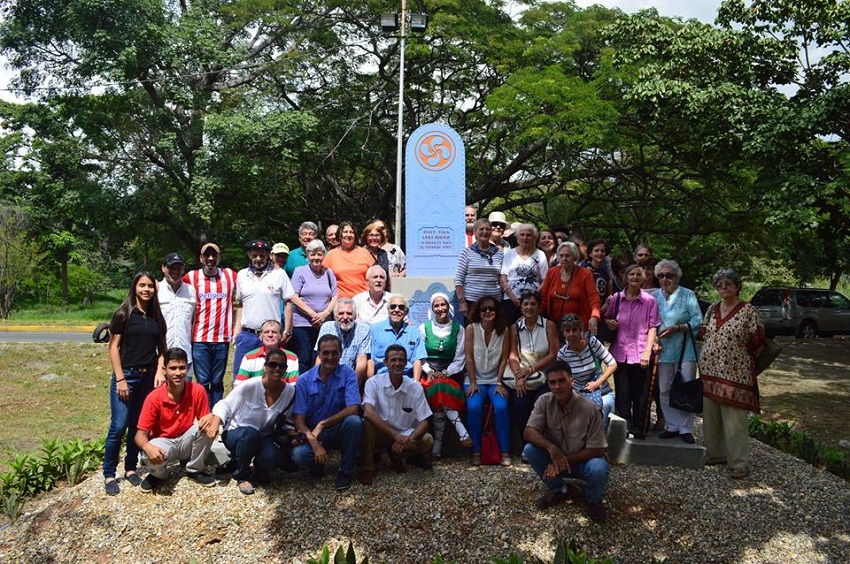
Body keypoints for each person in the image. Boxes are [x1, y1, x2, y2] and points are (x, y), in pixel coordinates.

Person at [198, 347, 298, 495]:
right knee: (250, 434)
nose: (277, 368)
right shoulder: (250, 385)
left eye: (282, 365)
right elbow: (225, 404)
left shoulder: (289, 392)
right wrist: (215, 423)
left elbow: (286, 419)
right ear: (265, 366)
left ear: (286, 369)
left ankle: (259, 467)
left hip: (263, 436)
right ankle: (241, 475)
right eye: (272, 364)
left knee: (272, 458)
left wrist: (293, 434)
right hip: (236, 433)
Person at [103, 272, 167, 496]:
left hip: (147, 378)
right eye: (142, 285)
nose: (146, 289)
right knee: (118, 425)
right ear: (135, 287)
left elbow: (162, 350)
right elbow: (113, 347)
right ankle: (109, 473)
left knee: (137, 426)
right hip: (127, 377)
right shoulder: (123, 314)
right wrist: (120, 378)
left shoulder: (156, 316)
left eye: (150, 286)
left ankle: (130, 468)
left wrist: (160, 370)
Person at [523, 361, 609, 523]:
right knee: (530, 450)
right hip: (556, 459)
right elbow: (529, 431)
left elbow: (598, 450)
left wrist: (563, 460)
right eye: (552, 382)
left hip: (583, 463)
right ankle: (561, 490)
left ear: (572, 381)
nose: (557, 386)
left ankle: (593, 500)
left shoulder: (590, 409)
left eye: (562, 381)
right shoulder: (544, 401)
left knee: (599, 467)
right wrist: (551, 448)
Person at [699, 268, 765, 479]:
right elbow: (703, 333)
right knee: (711, 416)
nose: (723, 288)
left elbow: (757, 340)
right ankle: (716, 453)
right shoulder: (712, 308)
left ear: (737, 286)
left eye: (728, 284)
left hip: (735, 374)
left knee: (734, 420)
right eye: (719, 285)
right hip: (710, 371)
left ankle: (738, 462)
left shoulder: (748, 310)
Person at [135, 348, 215, 492]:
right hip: (163, 443)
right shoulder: (154, 398)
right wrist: (148, 448)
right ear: (164, 370)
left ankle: (195, 470)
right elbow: (139, 436)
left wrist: (211, 417)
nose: (178, 373)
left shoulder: (197, 390)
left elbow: (205, 418)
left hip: (185, 439)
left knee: (209, 425)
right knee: (148, 452)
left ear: (188, 368)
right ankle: (158, 475)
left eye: (182, 368)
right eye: (173, 368)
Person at [292, 335, 365, 491]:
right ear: (319, 353)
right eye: (326, 353)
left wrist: (323, 424)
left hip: (338, 429)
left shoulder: (348, 373)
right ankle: (318, 462)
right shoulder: (304, 380)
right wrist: (313, 441)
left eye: (334, 353)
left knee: (355, 422)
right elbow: (298, 419)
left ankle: (345, 471)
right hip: (314, 433)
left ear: (341, 353)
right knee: (299, 455)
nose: (330, 357)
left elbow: (353, 408)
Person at [360, 346, 434, 484]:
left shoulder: (415, 387)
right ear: (385, 362)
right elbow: (368, 412)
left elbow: (425, 421)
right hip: (380, 432)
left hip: (404, 434)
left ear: (406, 363)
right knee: (367, 423)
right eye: (393, 360)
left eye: (401, 360)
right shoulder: (373, 382)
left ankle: (396, 455)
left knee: (427, 440)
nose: (397, 363)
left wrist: (408, 439)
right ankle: (367, 466)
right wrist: (395, 436)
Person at [605, 264, 659, 438]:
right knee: (622, 393)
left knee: (640, 394)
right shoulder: (617, 298)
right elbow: (607, 318)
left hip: (641, 352)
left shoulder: (649, 301)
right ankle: (624, 428)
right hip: (620, 352)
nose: (635, 277)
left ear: (642, 278)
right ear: (626, 277)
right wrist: (609, 323)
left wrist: (647, 352)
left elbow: (653, 327)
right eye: (631, 274)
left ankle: (639, 427)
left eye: (638, 274)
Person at [652, 260, 702, 444]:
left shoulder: (687, 295)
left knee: (686, 387)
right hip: (663, 350)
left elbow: (698, 320)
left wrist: (679, 327)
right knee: (665, 389)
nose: (665, 279)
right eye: (661, 276)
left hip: (685, 349)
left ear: (677, 277)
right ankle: (672, 425)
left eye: (669, 275)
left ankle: (686, 428)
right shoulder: (655, 296)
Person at [184, 242, 237, 409]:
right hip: (199, 339)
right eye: (207, 255)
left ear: (219, 258)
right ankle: (203, 414)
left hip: (222, 338)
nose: (211, 258)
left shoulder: (229, 276)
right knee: (202, 381)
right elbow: (172, 282)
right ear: (201, 258)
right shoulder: (191, 277)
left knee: (217, 381)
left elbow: (252, 279)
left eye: (214, 255)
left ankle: (217, 414)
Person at [418, 293, 470, 459]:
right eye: (436, 306)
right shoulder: (424, 328)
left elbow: (460, 357)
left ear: (448, 306)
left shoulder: (458, 329)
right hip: (428, 374)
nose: (440, 309)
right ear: (432, 309)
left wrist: (446, 372)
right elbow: (419, 354)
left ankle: (437, 447)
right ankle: (460, 430)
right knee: (437, 387)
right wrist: (429, 371)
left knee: (440, 387)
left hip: (450, 373)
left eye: (443, 305)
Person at [232, 239, 294, 379]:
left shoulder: (279, 275)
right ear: (249, 255)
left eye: (262, 255)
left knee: (271, 375)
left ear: (268, 255)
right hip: (248, 334)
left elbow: (288, 303)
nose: (258, 259)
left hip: (271, 335)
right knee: (240, 377)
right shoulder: (242, 275)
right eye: (255, 255)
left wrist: (287, 329)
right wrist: (236, 332)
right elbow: (241, 305)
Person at [464, 296, 512, 466]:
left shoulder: (504, 331)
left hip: (494, 380)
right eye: (484, 309)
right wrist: (473, 382)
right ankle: (476, 451)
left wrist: (499, 382)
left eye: (491, 308)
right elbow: (468, 357)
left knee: (501, 406)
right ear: (478, 312)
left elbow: (504, 359)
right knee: (474, 407)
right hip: (473, 379)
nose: (488, 312)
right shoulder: (471, 328)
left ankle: (504, 450)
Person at [506, 291, 559, 436]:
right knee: (519, 403)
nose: (529, 307)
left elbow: (553, 354)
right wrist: (519, 376)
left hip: (545, 375)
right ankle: (527, 441)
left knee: (542, 404)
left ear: (539, 307)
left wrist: (531, 369)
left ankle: (542, 439)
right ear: (521, 307)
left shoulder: (549, 325)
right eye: (526, 304)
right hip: (523, 374)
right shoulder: (514, 328)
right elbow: (512, 355)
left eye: (533, 304)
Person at [557, 314, 617, 431]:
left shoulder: (592, 343)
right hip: (579, 395)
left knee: (602, 412)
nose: (571, 334)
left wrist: (597, 383)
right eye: (567, 330)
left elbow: (612, 364)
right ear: (563, 333)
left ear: (581, 331)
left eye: (574, 330)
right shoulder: (563, 354)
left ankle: (599, 445)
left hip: (602, 392)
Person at [289, 239, 338, 374]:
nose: (316, 258)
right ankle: (302, 389)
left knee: (319, 357)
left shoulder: (329, 273)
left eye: (319, 254)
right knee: (304, 358)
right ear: (308, 256)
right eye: (313, 254)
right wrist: (312, 314)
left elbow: (335, 296)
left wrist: (325, 314)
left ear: (324, 255)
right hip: (302, 324)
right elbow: (293, 296)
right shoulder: (300, 271)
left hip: (324, 323)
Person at [540, 242, 601, 334]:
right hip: (553, 324)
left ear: (575, 257)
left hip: (577, 326)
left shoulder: (585, 274)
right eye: (561, 255)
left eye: (567, 256)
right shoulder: (551, 272)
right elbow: (543, 297)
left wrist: (594, 316)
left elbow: (593, 297)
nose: (564, 259)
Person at [314, 298, 371, 389]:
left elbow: (361, 361)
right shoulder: (326, 327)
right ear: (335, 315)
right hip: (328, 377)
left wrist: (352, 388)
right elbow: (320, 357)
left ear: (355, 315)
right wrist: (319, 383)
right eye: (341, 313)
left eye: (349, 313)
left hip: (351, 377)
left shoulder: (364, 330)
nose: (345, 317)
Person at [367, 294, 427, 379]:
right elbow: (371, 359)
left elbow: (417, 360)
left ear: (406, 311)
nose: (397, 310)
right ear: (388, 310)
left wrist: (415, 382)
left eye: (401, 307)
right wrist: (371, 382)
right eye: (393, 306)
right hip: (381, 378)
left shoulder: (414, 332)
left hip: (406, 379)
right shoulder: (375, 330)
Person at [455, 218, 504, 317]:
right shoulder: (466, 253)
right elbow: (458, 279)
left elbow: (503, 278)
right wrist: (462, 302)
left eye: (487, 229)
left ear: (491, 232)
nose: (484, 232)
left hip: (494, 303)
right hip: (472, 303)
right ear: (475, 232)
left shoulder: (499, 254)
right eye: (481, 229)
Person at [500, 223, 548, 325]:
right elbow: (503, 279)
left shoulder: (540, 255)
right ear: (517, 237)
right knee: (511, 329)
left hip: (532, 301)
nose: (525, 238)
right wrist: (513, 298)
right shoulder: (509, 254)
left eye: (528, 235)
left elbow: (545, 280)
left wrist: (533, 297)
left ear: (534, 237)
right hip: (511, 299)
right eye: (522, 235)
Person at [158, 252, 196, 377]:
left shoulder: (191, 291)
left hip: (185, 357)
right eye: (171, 268)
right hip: (161, 356)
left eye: (178, 268)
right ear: (163, 268)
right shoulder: (156, 290)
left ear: (183, 269)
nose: (175, 271)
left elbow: (193, 321)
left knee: (185, 395)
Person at [234, 319, 299, 386]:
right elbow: (239, 385)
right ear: (260, 336)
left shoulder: (292, 358)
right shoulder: (248, 357)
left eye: (274, 332)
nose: (270, 335)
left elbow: (293, 386)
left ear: (280, 336)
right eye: (266, 332)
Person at [323, 221, 375, 298]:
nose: (348, 235)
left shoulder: (364, 252)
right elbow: (323, 280)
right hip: (341, 302)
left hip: (364, 299)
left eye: (351, 232)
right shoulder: (331, 255)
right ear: (340, 235)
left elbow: (374, 276)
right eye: (345, 232)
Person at [362, 220, 391, 288]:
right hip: (365, 293)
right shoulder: (361, 253)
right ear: (366, 237)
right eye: (371, 235)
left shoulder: (383, 254)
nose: (374, 238)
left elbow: (387, 276)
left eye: (377, 235)